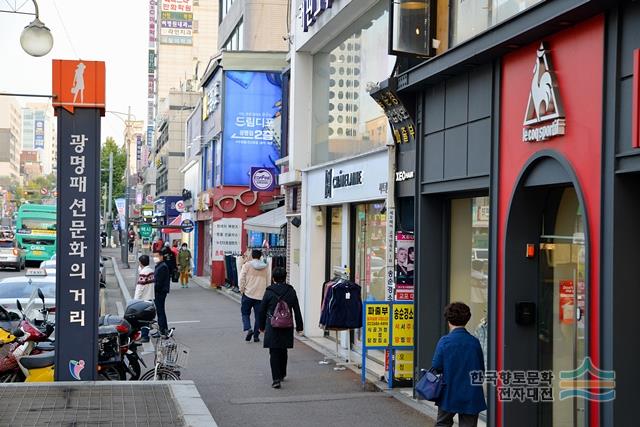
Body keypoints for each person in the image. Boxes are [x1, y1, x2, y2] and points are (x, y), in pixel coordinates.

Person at [432, 302, 487, 427]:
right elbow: (480, 370)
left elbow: (436, 366)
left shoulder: (444, 341)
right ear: (467, 319)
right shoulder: (474, 342)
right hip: (471, 393)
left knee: (443, 424)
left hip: (449, 391)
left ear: (448, 320)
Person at [257, 267, 303, 389]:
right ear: (285, 277)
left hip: (272, 325)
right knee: (283, 349)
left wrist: (261, 326)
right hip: (287, 325)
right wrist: (299, 326)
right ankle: (282, 373)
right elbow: (297, 309)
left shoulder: (269, 292)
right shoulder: (291, 291)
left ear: (273, 278)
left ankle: (276, 379)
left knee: (274, 351)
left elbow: (261, 310)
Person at [239, 249, 269, 342]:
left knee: (245, 313)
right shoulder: (265, 267)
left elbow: (241, 278)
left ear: (252, 256)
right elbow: (268, 281)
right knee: (258, 316)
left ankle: (248, 329)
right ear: (260, 256)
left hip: (248, 293)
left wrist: (241, 289)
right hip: (260, 295)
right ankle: (256, 335)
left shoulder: (247, 265)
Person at [134, 255, 155, 342]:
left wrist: (135, 300)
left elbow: (140, 288)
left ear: (141, 263)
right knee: (147, 319)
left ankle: (144, 336)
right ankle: (144, 335)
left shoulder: (143, 273)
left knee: (143, 319)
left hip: (143, 299)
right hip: (150, 297)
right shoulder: (151, 271)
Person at [153, 251, 171, 337]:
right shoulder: (160, 266)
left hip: (160, 292)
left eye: (156, 256)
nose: (154, 258)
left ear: (161, 256)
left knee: (160, 311)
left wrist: (154, 290)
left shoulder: (162, 267)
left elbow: (159, 283)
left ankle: (162, 330)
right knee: (160, 311)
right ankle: (163, 329)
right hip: (160, 292)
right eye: (154, 256)